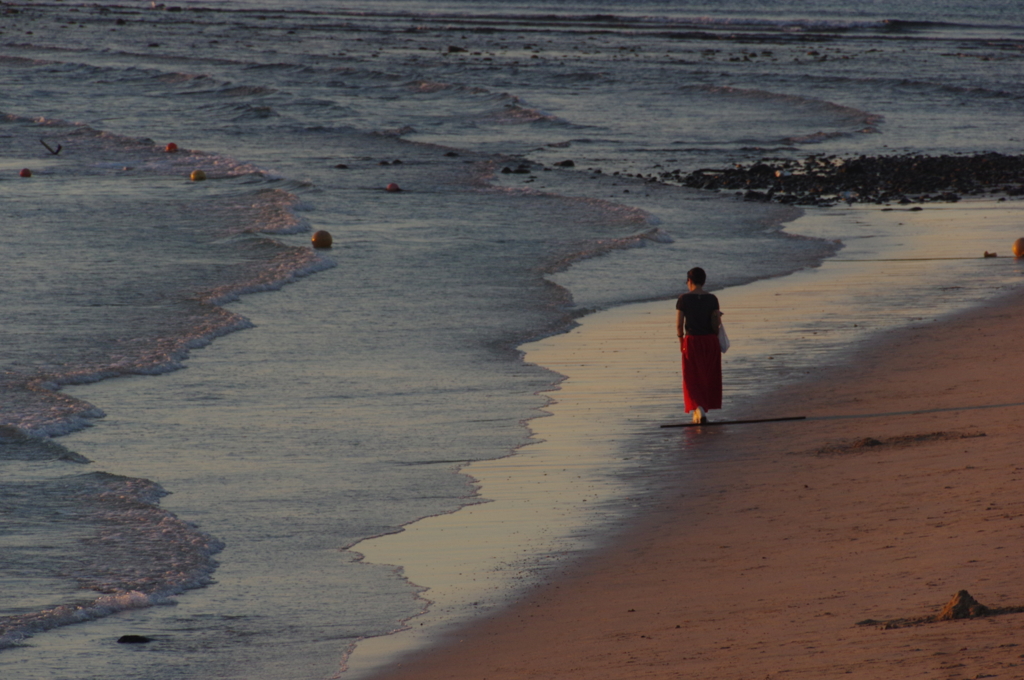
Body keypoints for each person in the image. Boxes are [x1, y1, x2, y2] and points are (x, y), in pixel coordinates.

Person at [675, 267, 722, 424]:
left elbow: (679, 324)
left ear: (689, 281)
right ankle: (701, 408)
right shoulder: (713, 298)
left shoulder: (683, 299)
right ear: (704, 281)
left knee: (692, 377)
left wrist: (681, 340)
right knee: (708, 375)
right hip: (711, 341)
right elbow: (716, 322)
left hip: (693, 341)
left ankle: (698, 408)